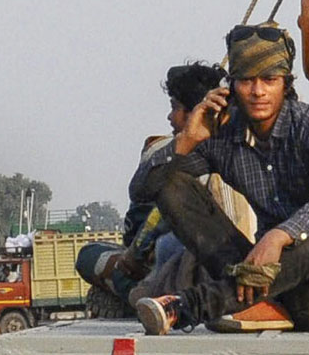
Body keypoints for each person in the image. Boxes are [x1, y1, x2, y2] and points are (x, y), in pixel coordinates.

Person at [130, 23, 309, 334]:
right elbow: (144, 190)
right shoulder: (223, 137)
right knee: (172, 183)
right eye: (246, 81)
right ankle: (255, 304)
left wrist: (280, 235)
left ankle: (186, 307)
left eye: (269, 80)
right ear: (231, 87)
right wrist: (187, 140)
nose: (258, 92)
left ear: (285, 83)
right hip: (256, 274)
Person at [76, 60, 232, 313]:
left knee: (89, 256)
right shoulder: (235, 148)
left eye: (175, 108)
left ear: (196, 113)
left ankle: (141, 296)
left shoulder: (172, 155)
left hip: (174, 263)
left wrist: (133, 258)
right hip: (211, 261)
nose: (170, 116)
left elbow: (155, 214)